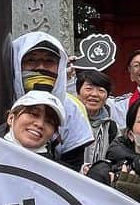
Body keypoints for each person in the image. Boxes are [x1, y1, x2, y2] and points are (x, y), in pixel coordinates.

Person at [10, 31, 92, 171]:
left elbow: (72, 167)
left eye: (49, 61)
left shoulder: (71, 111)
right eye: (31, 60)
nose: (41, 67)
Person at [74, 69, 116, 171]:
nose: (94, 94)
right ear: (78, 92)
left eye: (101, 90)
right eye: (89, 89)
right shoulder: (69, 121)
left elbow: (115, 157)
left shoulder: (111, 127)